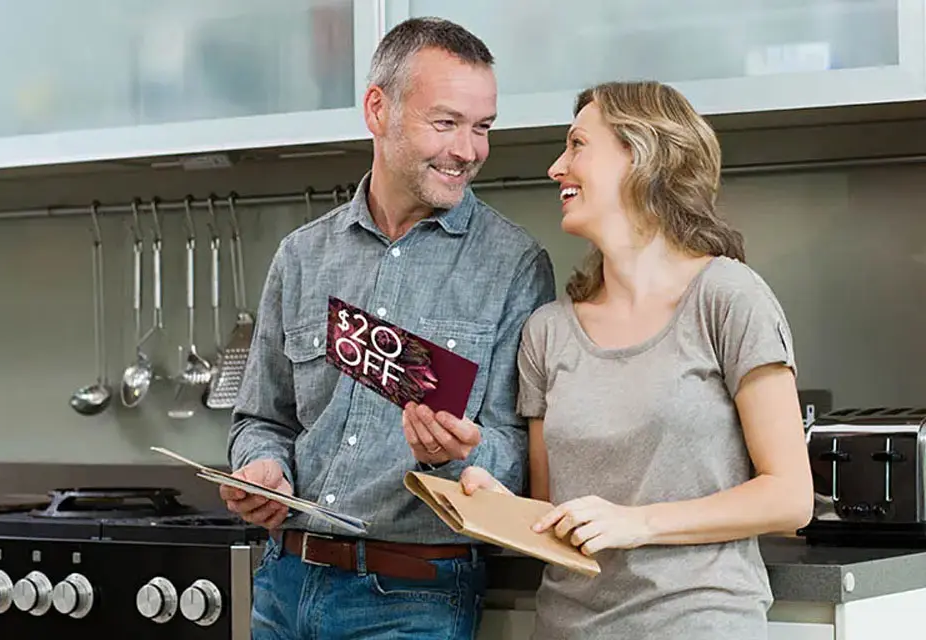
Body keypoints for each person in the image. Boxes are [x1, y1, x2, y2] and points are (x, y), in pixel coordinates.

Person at [222, 16, 557, 640]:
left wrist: (459, 455)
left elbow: (519, 457)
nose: (469, 150)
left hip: (414, 599)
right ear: (378, 110)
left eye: (482, 127)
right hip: (282, 585)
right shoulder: (301, 257)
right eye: (446, 122)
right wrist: (262, 468)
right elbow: (261, 419)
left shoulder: (514, 265)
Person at [462, 81, 814, 639]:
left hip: (697, 623)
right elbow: (557, 512)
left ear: (642, 155)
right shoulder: (548, 331)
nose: (557, 167)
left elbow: (790, 497)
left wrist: (639, 523)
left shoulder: (727, 298)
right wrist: (501, 509)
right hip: (567, 627)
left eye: (577, 144)